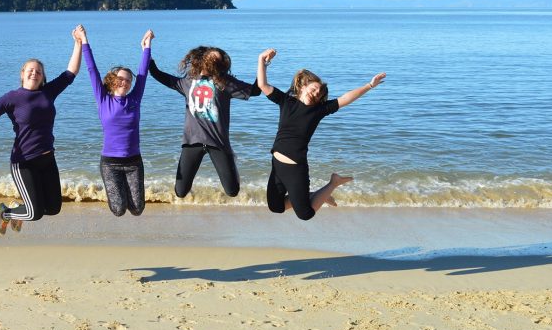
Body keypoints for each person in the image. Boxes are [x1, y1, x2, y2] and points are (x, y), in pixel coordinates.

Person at [0, 26, 85, 234]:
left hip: (48, 159)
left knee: (54, 208)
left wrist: (78, 43)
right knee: (34, 213)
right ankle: (5, 212)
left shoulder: (48, 92)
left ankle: (17, 209)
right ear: (22, 74)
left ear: (42, 77)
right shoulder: (11, 97)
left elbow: (71, 72)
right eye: (30, 69)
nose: (34, 73)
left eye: (38, 71)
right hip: (24, 162)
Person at [256, 48, 386, 220]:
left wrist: (370, 85)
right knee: (276, 207)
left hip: (296, 167)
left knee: (305, 214)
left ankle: (333, 183)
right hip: (277, 164)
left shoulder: (319, 110)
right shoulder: (286, 101)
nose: (317, 93)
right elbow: (262, 85)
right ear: (303, 86)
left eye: (320, 93)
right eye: (314, 88)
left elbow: (346, 98)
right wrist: (262, 60)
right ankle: (316, 195)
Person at [149, 45, 260, 198]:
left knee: (232, 191)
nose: (213, 60)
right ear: (202, 59)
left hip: (217, 141)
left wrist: (262, 63)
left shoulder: (225, 83)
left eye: (217, 59)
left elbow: (255, 91)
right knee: (180, 192)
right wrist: (147, 49)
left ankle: (231, 161)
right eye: (211, 57)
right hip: (193, 141)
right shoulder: (187, 82)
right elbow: (157, 74)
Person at [82, 27, 154, 216]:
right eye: (121, 78)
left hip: (134, 162)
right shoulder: (103, 99)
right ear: (113, 80)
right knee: (119, 210)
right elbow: (91, 69)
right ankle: (115, 190)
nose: (125, 82)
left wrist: (146, 47)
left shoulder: (135, 99)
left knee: (138, 209)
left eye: (128, 80)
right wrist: (84, 40)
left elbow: (143, 74)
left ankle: (124, 189)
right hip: (110, 163)